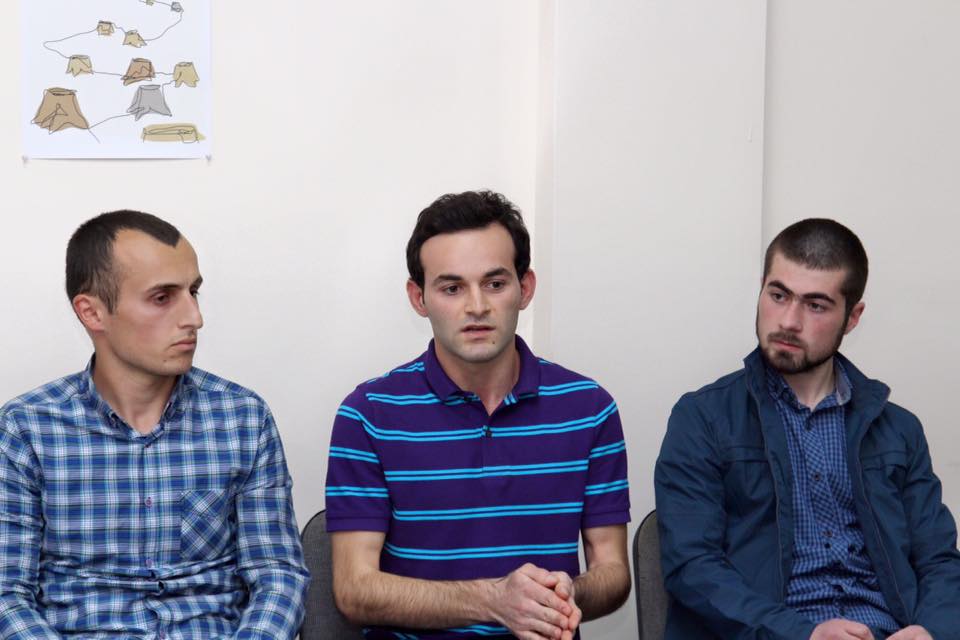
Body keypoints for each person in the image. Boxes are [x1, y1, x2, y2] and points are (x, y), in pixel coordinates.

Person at [325, 190, 631, 639]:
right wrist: (493, 600)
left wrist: (566, 593)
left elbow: (614, 571)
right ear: (419, 298)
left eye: (495, 284)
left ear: (525, 288)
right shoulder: (368, 414)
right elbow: (354, 590)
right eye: (452, 288)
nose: (477, 307)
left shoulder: (589, 409)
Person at [0, 210, 309, 639]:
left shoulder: (243, 418)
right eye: (162, 297)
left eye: (193, 292)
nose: (194, 318)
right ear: (92, 313)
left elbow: (277, 576)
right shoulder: (27, 429)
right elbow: (7, 595)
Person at [655, 218, 960, 640]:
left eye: (816, 305)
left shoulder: (899, 430)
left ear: (852, 317)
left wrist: (931, 631)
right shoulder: (703, 418)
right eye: (778, 295)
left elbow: (939, 560)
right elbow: (693, 568)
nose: (789, 321)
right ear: (761, 288)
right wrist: (803, 634)